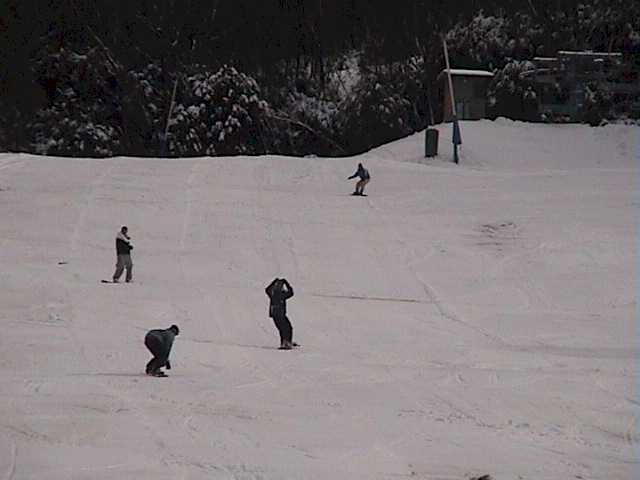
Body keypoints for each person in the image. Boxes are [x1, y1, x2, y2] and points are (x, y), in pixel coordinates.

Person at [265, 277, 296, 349]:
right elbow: (291, 292)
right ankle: (286, 343)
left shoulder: (273, 293)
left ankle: (286, 342)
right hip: (279, 315)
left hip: (276, 315)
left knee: (284, 328)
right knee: (286, 328)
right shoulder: (281, 294)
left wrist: (274, 281)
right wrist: (286, 283)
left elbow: (267, 289)